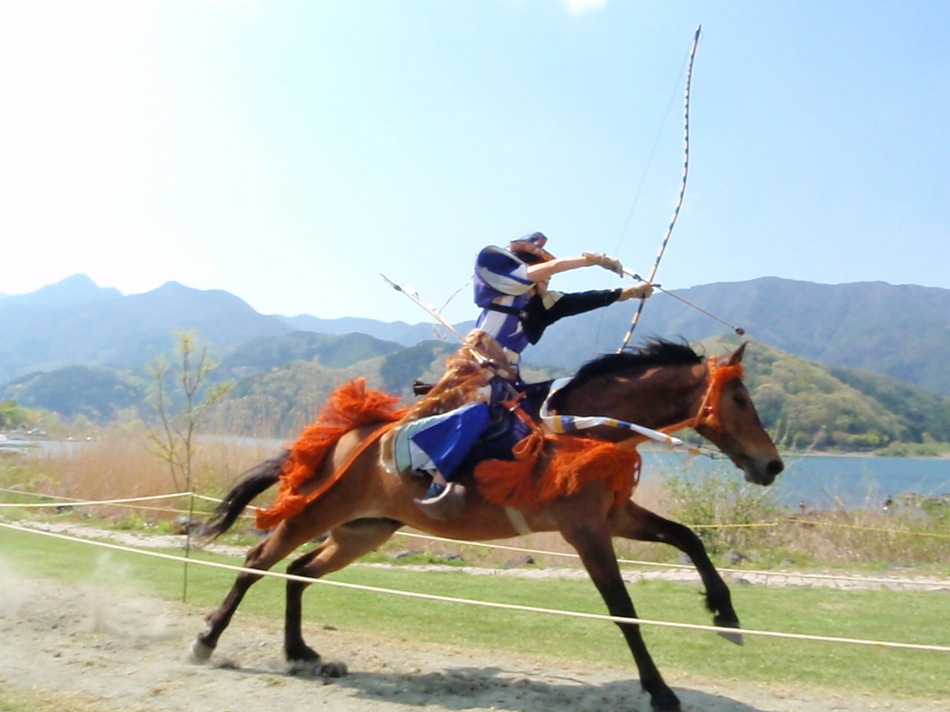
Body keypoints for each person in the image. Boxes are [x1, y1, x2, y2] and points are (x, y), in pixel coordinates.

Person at [407, 232, 653, 519]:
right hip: (475, 369)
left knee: (536, 411)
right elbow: (551, 267)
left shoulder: (541, 306)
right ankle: (437, 484)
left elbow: (585, 300)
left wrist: (630, 293)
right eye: (542, 275)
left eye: (547, 277)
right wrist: (594, 260)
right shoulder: (505, 288)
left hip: (505, 374)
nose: (547, 280)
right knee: (479, 413)